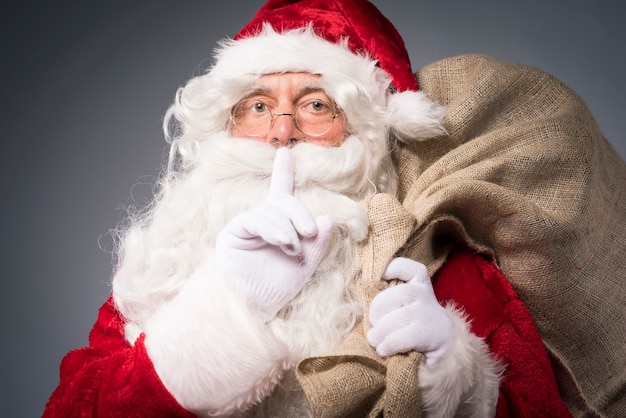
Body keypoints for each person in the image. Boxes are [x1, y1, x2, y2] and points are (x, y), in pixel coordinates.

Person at [44, 0, 626, 417]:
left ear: (364, 133)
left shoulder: (437, 269)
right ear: (225, 124)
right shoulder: (165, 270)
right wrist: (224, 309)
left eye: (316, 105)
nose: (280, 132)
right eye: (256, 106)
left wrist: (453, 375)